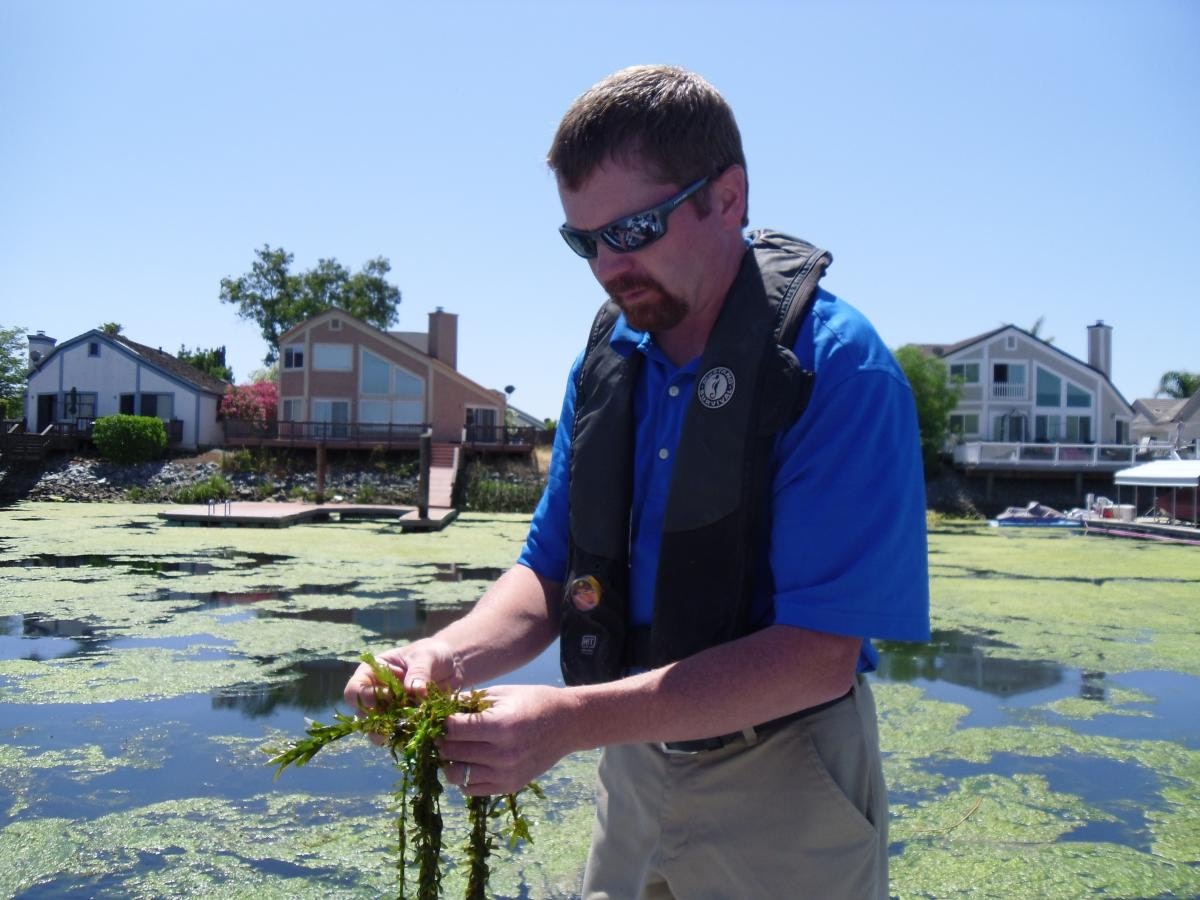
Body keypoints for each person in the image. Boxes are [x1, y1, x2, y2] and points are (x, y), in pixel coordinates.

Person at [345, 64, 930, 899]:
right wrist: (441, 656)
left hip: (785, 776)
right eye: (584, 240)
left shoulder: (838, 368)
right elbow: (549, 573)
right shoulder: (606, 364)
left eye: (637, 228)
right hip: (630, 761)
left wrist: (570, 721)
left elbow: (817, 659)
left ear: (727, 198)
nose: (608, 267)